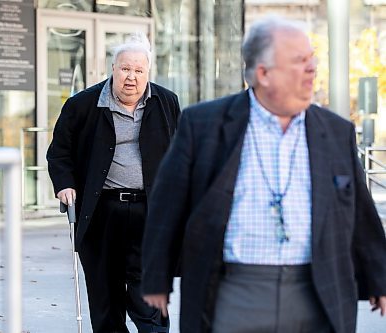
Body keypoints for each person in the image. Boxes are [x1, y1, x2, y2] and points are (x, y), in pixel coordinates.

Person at [141, 15, 386, 333]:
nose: (312, 68)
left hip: (318, 287)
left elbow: (359, 213)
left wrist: (379, 277)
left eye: (312, 59)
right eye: (299, 61)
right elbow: (168, 204)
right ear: (263, 73)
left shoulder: (335, 132)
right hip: (235, 288)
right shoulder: (204, 125)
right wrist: (156, 278)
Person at [47, 32, 180, 333]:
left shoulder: (166, 102)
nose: (131, 77)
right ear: (113, 68)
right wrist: (64, 184)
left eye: (138, 71)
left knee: (149, 299)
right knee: (105, 300)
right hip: (101, 213)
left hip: (149, 212)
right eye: (125, 69)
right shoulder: (82, 105)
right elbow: (59, 152)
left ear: (147, 73)